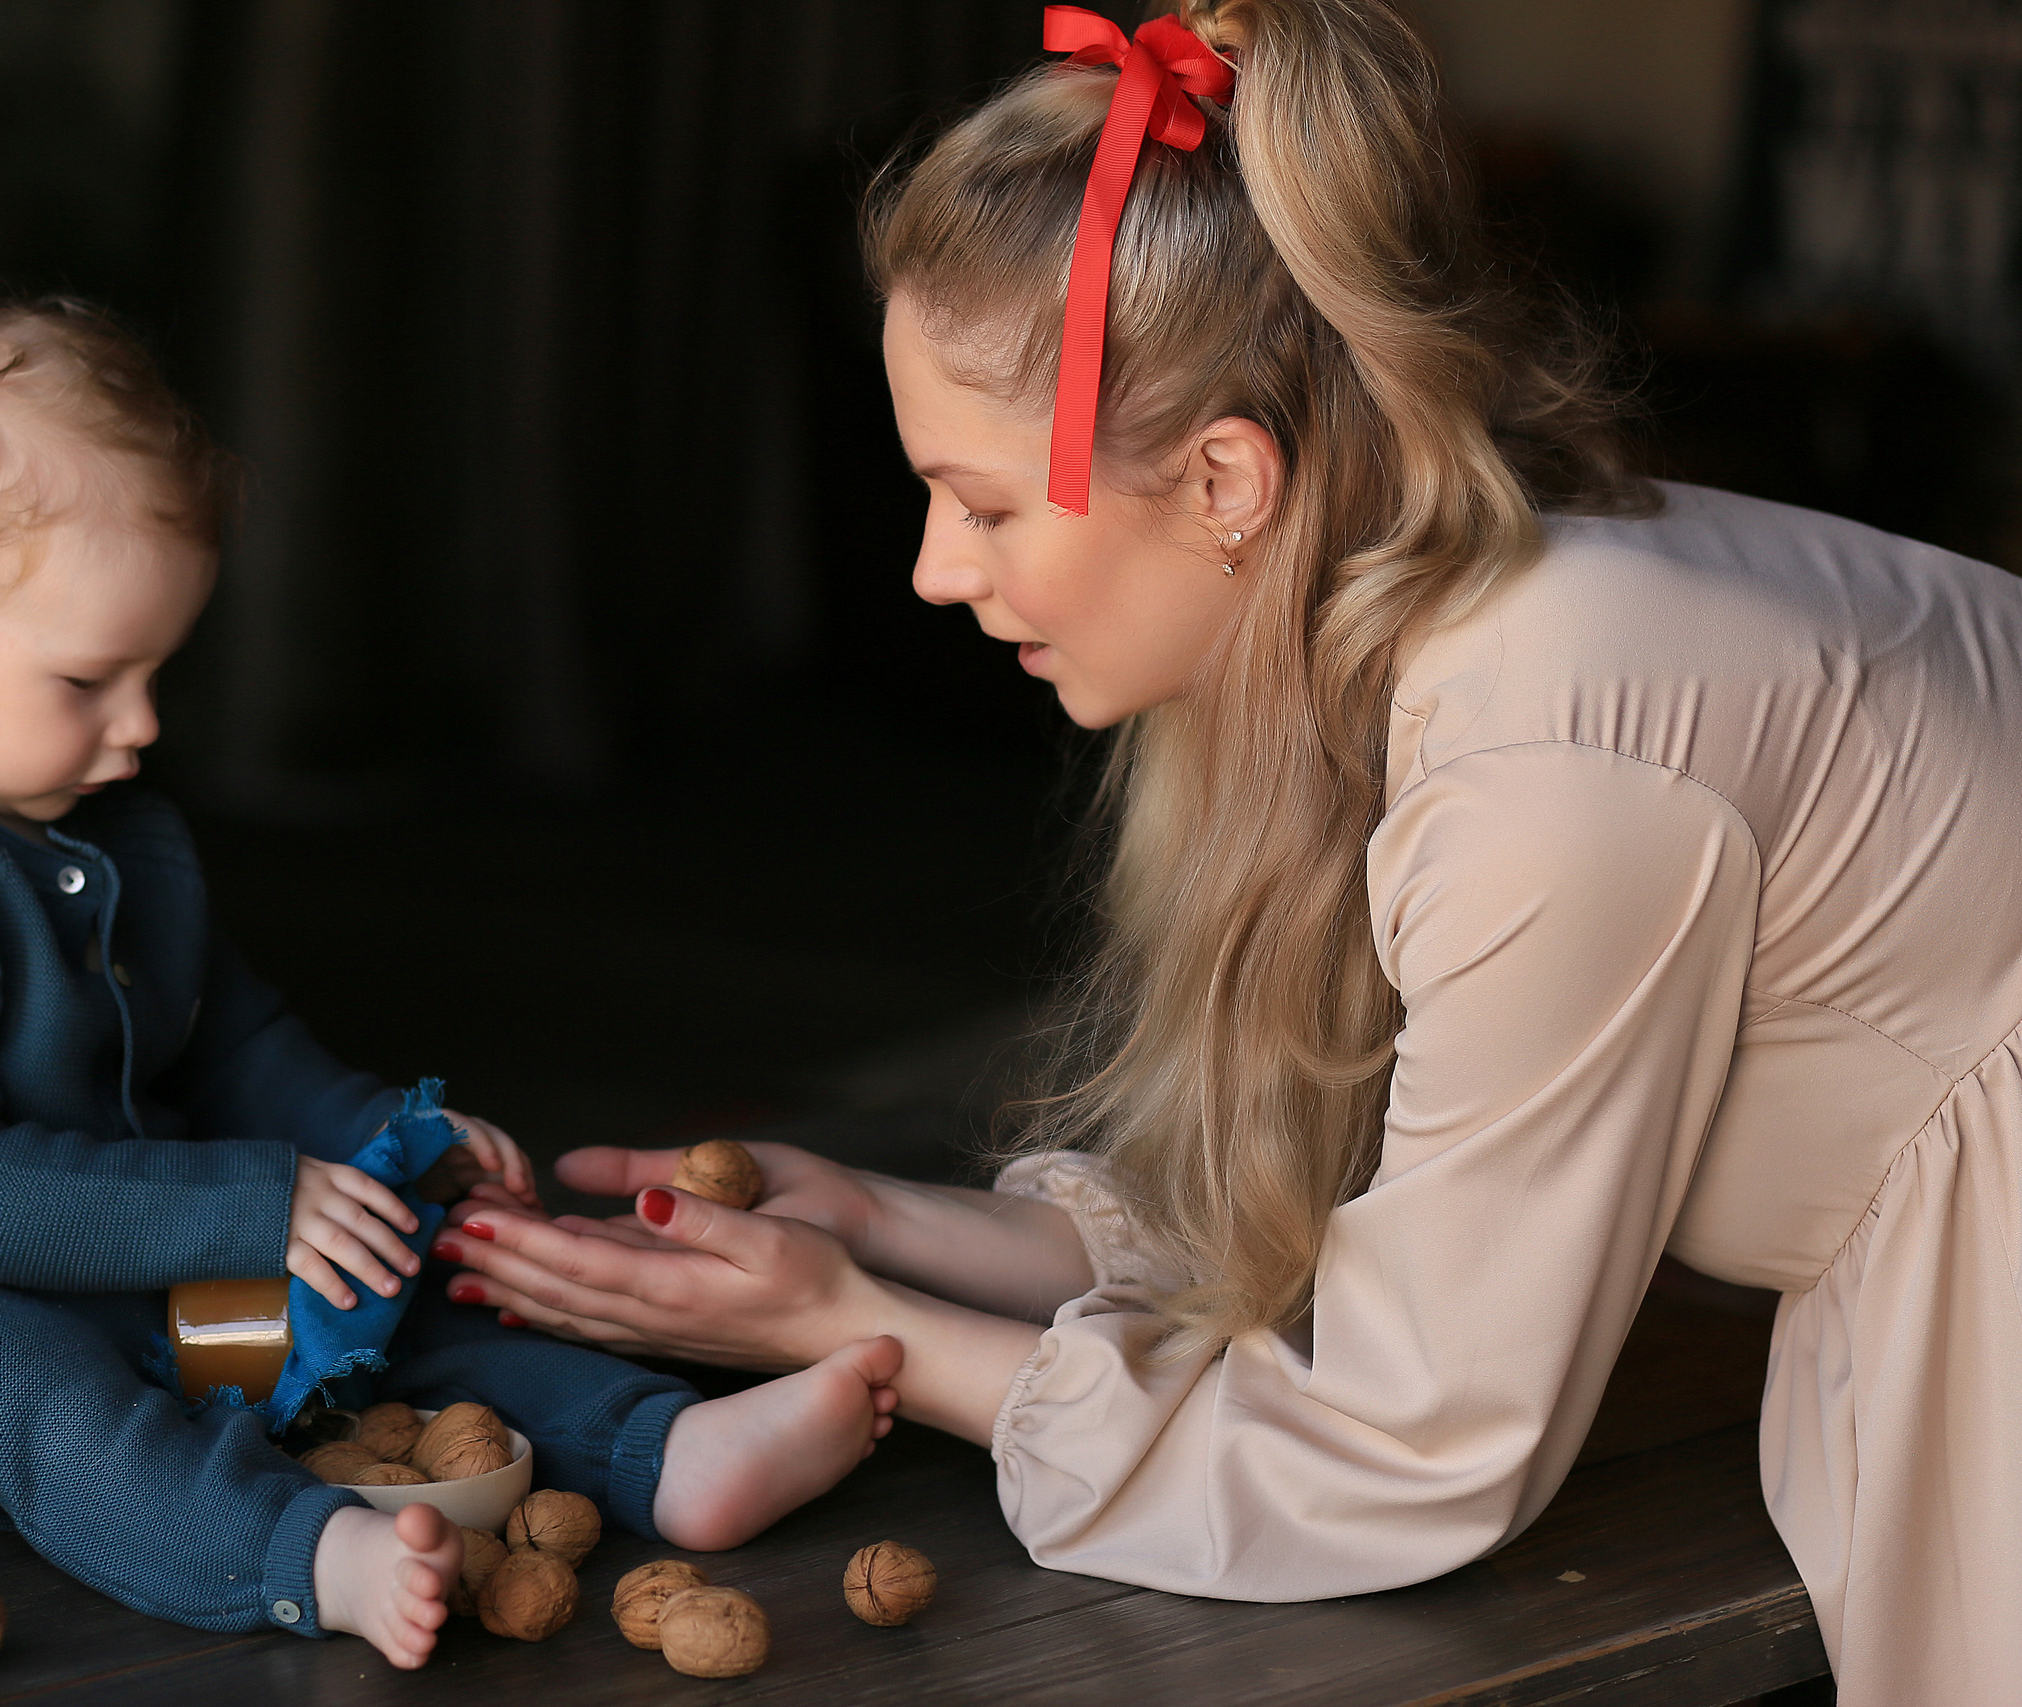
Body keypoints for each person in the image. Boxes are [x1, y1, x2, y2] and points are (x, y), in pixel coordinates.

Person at [435, 6, 2022, 1703]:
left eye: (982, 504)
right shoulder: (1416, 614)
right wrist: (884, 1227)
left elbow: (1415, 1452)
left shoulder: (1547, 778)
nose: (930, 570)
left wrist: (847, 1327)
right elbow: (1354, 1200)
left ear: (1223, 481)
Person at [0, 300, 902, 1671]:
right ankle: (303, 1556)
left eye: (158, 672)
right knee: (32, 1397)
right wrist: (256, 1207)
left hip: (131, 1243)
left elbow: (233, 1044)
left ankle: (664, 1451)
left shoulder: (115, 820)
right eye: (89, 679)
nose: (142, 725)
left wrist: (383, 1142)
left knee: (400, 1291)